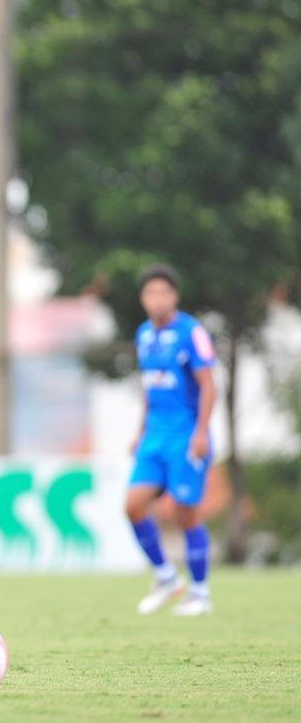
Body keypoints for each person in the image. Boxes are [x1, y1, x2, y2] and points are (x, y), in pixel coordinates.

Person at [126, 264, 217, 616]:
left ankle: (200, 592)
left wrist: (202, 431)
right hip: (154, 437)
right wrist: (139, 431)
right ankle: (166, 577)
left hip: (184, 436)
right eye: (151, 293)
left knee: (184, 512)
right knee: (133, 506)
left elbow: (208, 385)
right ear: (142, 299)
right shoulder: (144, 335)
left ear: (175, 296)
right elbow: (150, 388)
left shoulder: (191, 332)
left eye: (164, 292)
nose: (158, 299)